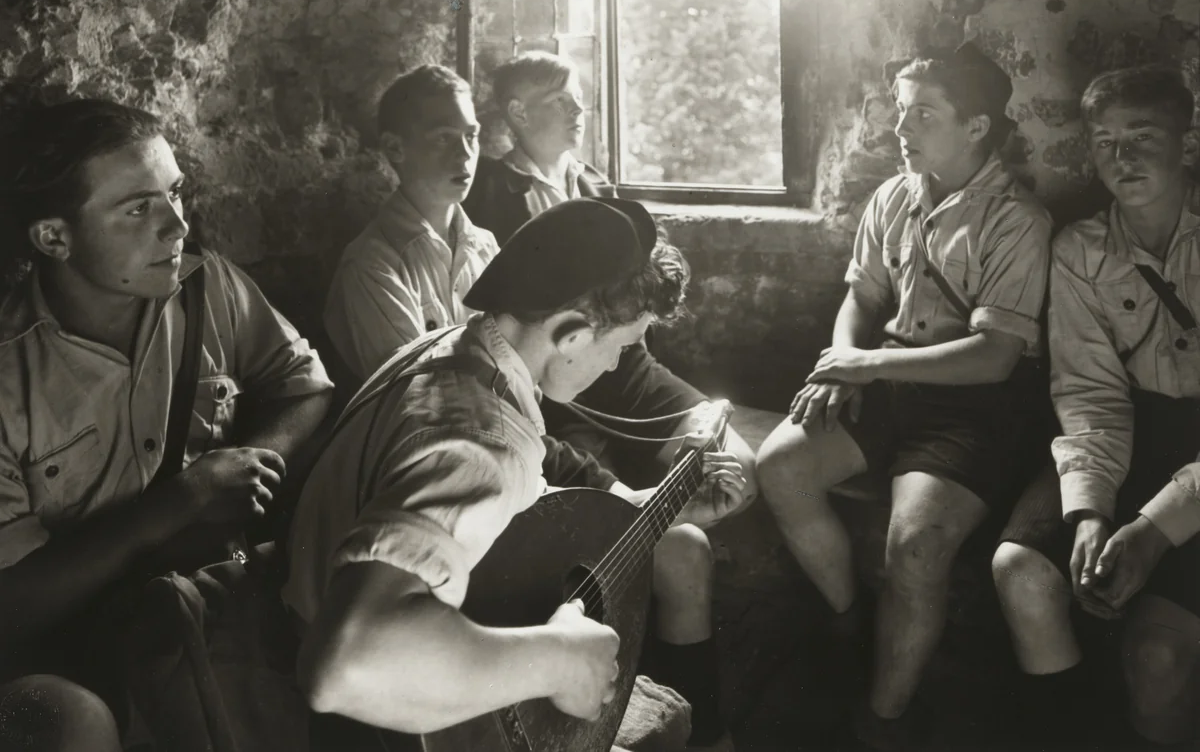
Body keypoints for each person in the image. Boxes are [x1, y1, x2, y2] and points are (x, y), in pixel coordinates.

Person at [285, 197, 747, 751]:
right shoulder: (483, 441)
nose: (615, 365)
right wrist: (558, 662)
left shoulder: (449, 351)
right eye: (622, 346)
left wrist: (647, 509)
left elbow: (490, 506)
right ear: (573, 335)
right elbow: (345, 666)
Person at [0, 100, 334, 752]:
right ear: (54, 238)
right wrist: (183, 500)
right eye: (137, 208)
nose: (177, 224)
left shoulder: (211, 291)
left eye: (175, 194)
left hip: (214, 608)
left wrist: (253, 461)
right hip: (73, 651)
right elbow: (13, 609)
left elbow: (306, 389)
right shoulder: (9, 376)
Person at [755, 42, 1053, 749]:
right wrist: (840, 363)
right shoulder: (894, 196)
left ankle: (882, 718)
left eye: (923, 113)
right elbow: (862, 294)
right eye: (901, 111)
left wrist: (866, 365)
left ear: (977, 127)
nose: (902, 127)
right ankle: (849, 620)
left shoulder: (1017, 221)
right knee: (780, 466)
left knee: (915, 546)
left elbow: (993, 358)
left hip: (972, 408)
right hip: (884, 382)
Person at [463, 51, 759, 749]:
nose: (576, 111)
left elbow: (618, 335)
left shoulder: (589, 183)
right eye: (557, 100)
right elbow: (352, 656)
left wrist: (625, 500)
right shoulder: (486, 423)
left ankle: (641, 647)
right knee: (655, 539)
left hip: (575, 373)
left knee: (728, 466)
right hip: (568, 389)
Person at [992, 65, 1199, 749]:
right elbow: (1090, 395)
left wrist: (1154, 529)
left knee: (1157, 656)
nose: (1124, 158)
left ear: (1186, 141)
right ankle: (1068, 732)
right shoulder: (1080, 252)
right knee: (1021, 568)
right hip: (1130, 433)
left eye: (1143, 136)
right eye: (1106, 142)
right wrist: (1090, 509)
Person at [323, 65, 498, 387]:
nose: (465, 154)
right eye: (444, 138)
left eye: (471, 136)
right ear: (394, 148)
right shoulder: (372, 264)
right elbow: (420, 393)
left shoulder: (486, 247)